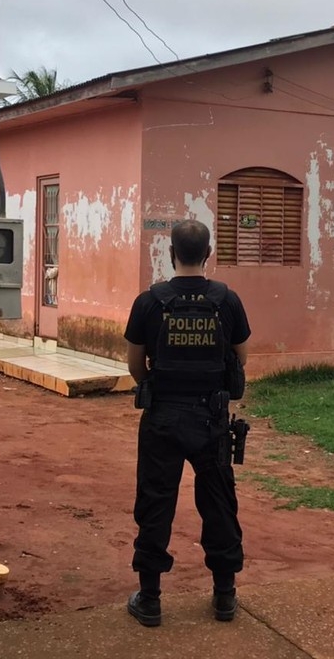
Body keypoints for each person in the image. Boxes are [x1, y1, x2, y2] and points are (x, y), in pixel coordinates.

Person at [123, 219, 251, 628]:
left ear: (171, 253)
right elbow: (241, 358)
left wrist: (158, 387)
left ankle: (151, 599)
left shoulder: (149, 301)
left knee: (155, 502)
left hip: (162, 417)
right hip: (210, 418)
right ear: (208, 254)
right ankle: (225, 596)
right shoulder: (226, 300)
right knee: (218, 503)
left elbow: (134, 365)